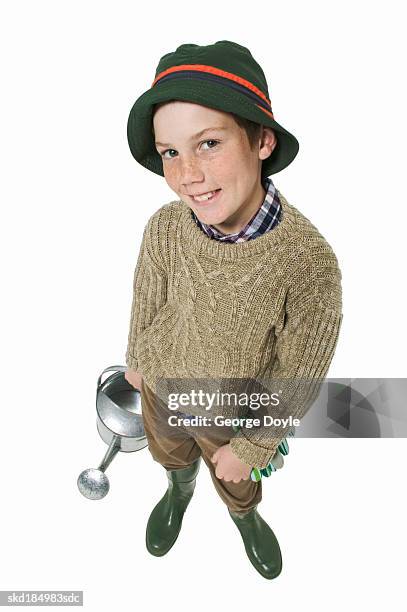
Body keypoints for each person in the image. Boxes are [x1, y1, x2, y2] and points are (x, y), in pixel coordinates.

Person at [124, 40, 343, 580]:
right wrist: (137, 356)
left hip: (232, 407)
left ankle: (244, 516)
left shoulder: (308, 264)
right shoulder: (166, 226)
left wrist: (254, 444)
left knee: (236, 476)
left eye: (209, 143)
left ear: (262, 140)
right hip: (163, 380)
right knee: (171, 450)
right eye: (170, 152)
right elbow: (149, 297)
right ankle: (179, 489)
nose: (187, 175)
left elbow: (298, 373)